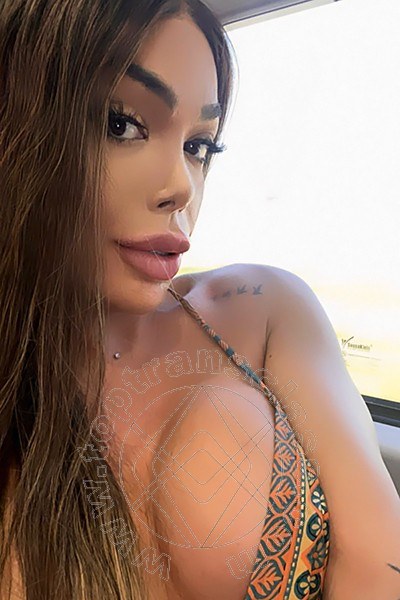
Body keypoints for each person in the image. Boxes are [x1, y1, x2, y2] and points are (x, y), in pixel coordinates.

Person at [0, 1, 399, 599]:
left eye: (200, 146)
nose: (181, 186)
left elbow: (377, 559)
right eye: (121, 125)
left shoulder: (262, 309)